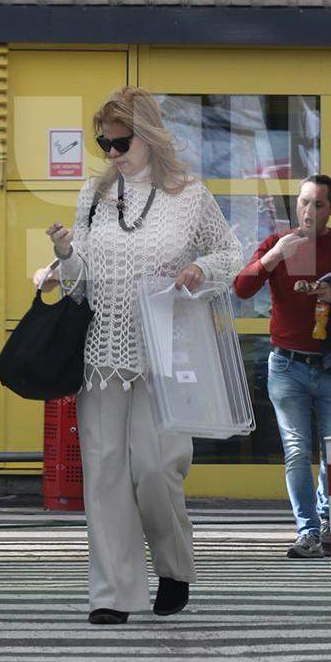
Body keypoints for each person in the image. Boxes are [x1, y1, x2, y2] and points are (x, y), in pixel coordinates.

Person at [47, 88, 243, 625]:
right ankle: (113, 593)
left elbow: (230, 252)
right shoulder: (93, 194)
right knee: (105, 470)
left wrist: (201, 271)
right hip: (100, 349)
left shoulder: (189, 194)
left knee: (155, 469)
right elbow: (80, 276)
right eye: (103, 143)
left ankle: (175, 565)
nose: (111, 153)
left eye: (120, 141)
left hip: (165, 349)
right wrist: (63, 257)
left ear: (149, 135)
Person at [234, 175, 331, 558]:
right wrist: (274, 256)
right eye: (303, 202)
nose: (309, 211)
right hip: (287, 365)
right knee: (297, 451)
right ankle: (308, 530)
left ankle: (329, 516)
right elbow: (242, 287)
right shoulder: (279, 244)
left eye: (318, 204)